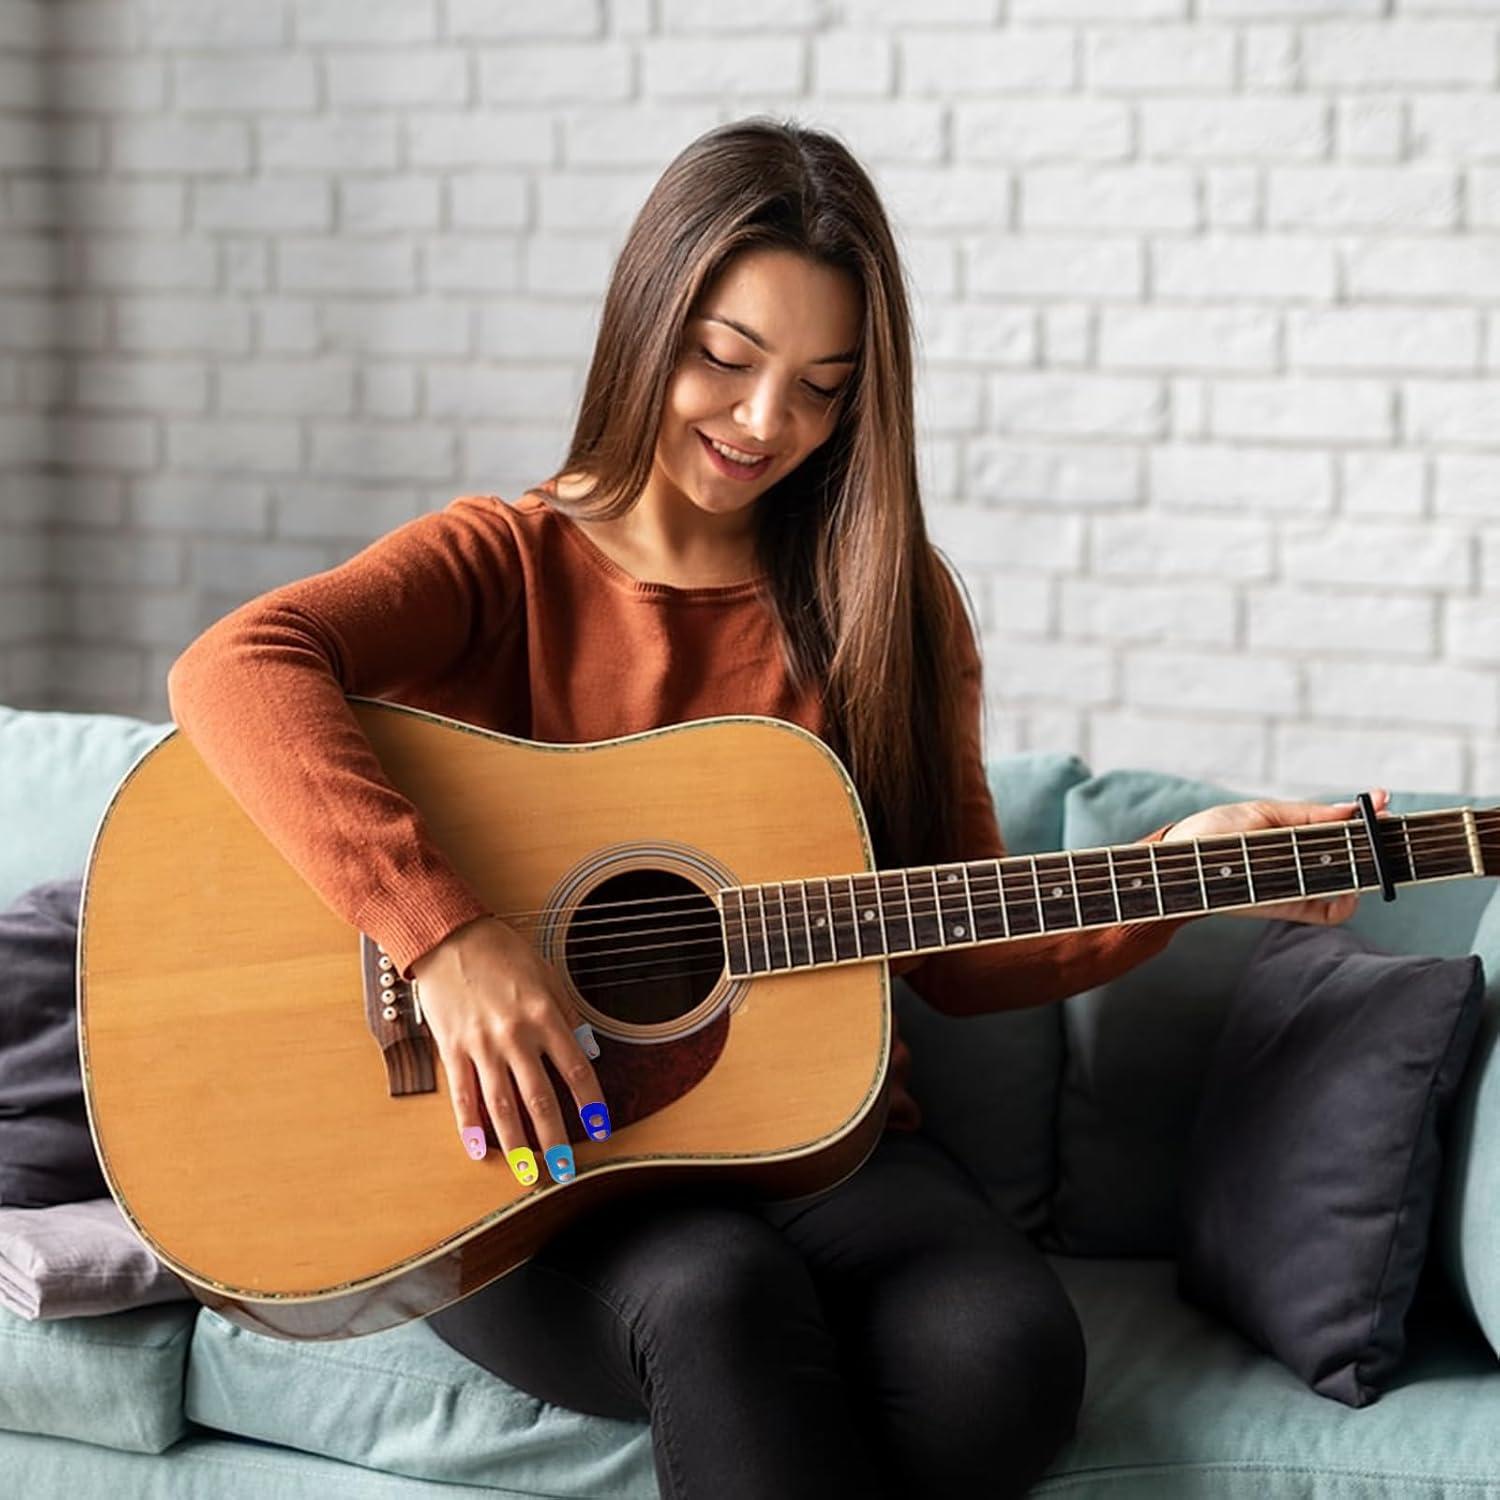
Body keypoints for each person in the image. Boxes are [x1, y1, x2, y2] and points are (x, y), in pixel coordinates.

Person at [166, 117, 1389, 1500]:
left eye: (821, 388)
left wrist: (1178, 876)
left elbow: (958, 952)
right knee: (718, 1300)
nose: (765, 426)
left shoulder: (891, 606)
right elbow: (232, 667)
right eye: (727, 360)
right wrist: (448, 939)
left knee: (1006, 1362)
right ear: (650, 321)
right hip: (518, 1159)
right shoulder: (502, 561)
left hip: (823, 1148)